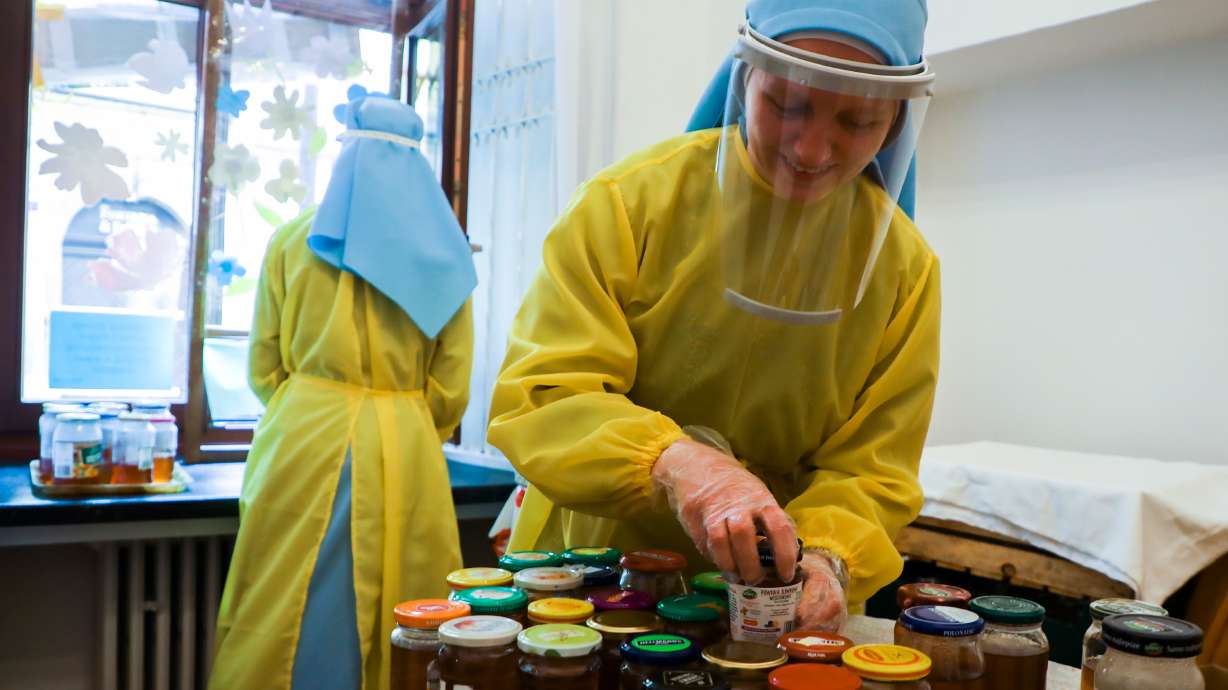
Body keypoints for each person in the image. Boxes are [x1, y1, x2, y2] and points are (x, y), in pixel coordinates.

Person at [488, 0, 938, 631]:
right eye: (787, 105)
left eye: (859, 120)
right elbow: (546, 397)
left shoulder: (904, 269)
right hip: (599, 574)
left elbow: (874, 467)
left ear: (894, 123)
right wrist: (678, 464)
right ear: (744, 76)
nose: (811, 149)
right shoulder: (628, 205)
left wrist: (831, 555)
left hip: (773, 598)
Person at [209, 89, 476, 690]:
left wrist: (311, 404)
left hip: (302, 435)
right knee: (412, 604)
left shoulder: (290, 240)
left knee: (278, 595)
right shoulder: (446, 254)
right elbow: (450, 385)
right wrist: (402, 419)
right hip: (406, 442)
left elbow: (263, 366)